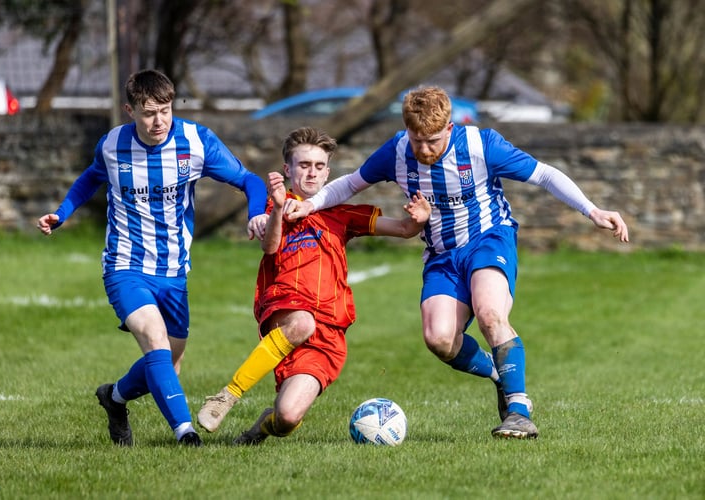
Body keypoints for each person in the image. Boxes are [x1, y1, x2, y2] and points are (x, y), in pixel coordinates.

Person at [285, 86, 629, 439]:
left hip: (489, 238)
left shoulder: (482, 145)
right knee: (439, 339)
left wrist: (593, 210)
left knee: (490, 314)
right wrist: (308, 206)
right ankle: (499, 374)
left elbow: (543, 174)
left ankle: (519, 411)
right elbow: (350, 184)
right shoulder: (397, 151)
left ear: (450, 128)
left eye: (432, 140)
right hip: (441, 255)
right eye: (416, 139)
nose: (424, 149)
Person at [37, 69, 267, 447]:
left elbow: (250, 180)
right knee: (154, 339)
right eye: (148, 112)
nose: (158, 121)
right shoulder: (112, 145)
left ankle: (113, 398)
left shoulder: (196, 141)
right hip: (125, 266)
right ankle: (185, 433)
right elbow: (90, 179)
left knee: (169, 363)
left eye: (165, 110)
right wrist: (62, 213)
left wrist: (256, 211)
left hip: (174, 272)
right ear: (130, 110)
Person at [196, 126, 431, 444]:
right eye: (304, 165)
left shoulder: (342, 213)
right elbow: (269, 246)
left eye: (319, 166)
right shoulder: (276, 205)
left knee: (288, 417)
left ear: (328, 172)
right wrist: (278, 207)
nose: (311, 172)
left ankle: (262, 428)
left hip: (329, 333)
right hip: (286, 308)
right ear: (288, 169)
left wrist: (419, 219)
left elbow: (403, 229)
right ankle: (227, 395)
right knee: (302, 321)